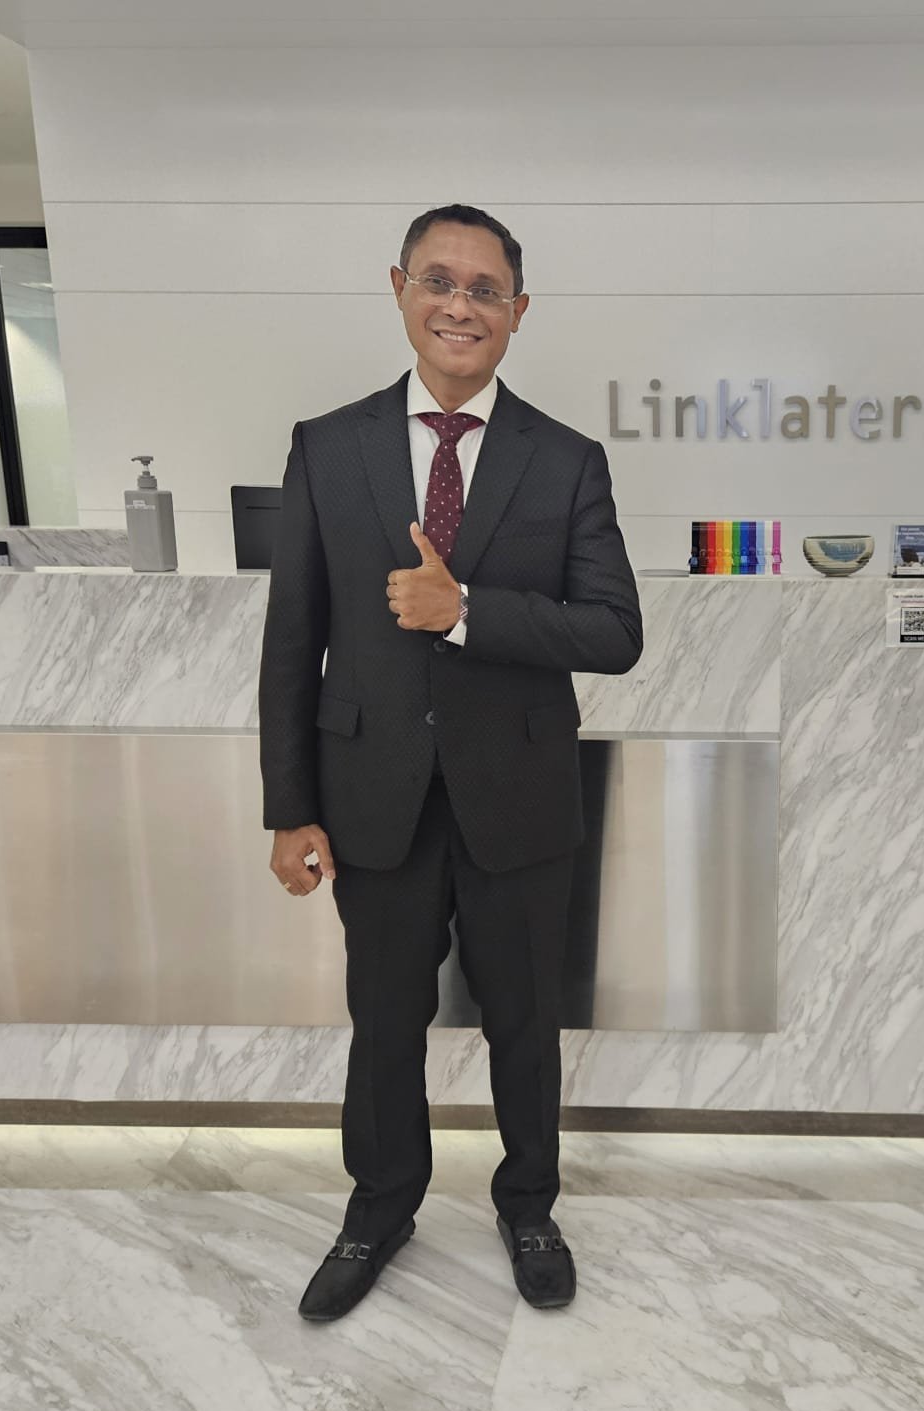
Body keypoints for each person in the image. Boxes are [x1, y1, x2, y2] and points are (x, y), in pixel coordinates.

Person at [257, 203, 643, 1321]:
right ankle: (379, 1206)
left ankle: (529, 1205)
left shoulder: (565, 460)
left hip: (518, 795)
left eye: (485, 289)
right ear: (399, 289)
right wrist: (289, 806)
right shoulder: (327, 446)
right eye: (439, 280)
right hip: (369, 793)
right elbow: (293, 637)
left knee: (524, 1020)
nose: (459, 305)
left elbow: (615, 630)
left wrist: (465, 608)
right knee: (384, 1022)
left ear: (518, 312)